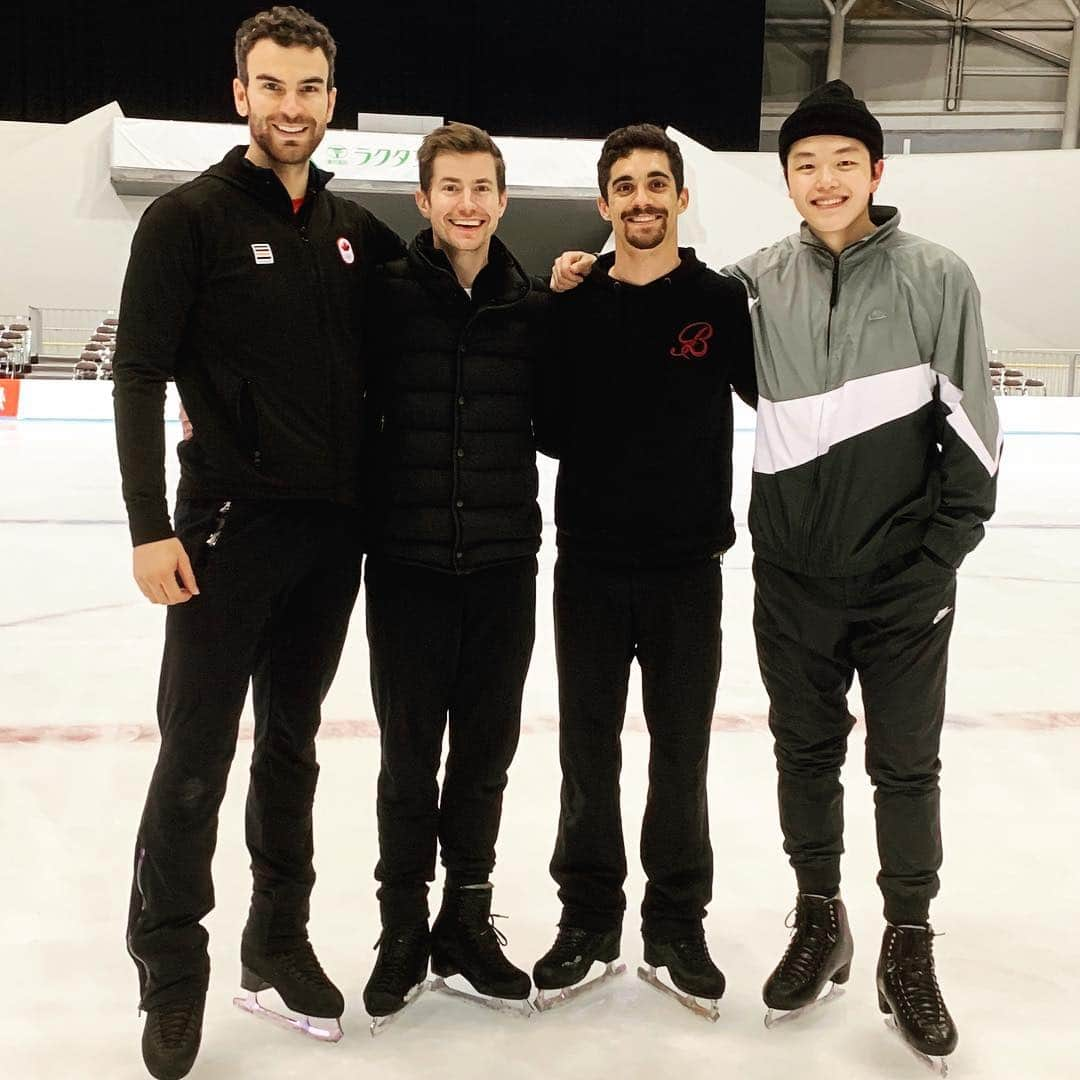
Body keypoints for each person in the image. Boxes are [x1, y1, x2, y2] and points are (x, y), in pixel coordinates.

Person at [113, 8, 402, 1077]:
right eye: (273, 86)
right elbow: (140, 371)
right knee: (195, 755)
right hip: (225, 533)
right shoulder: (187, 219)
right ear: (240, 93)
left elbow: (438, 310)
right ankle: (170, 970)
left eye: (311, 88)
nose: (293, 106)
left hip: (332, 540)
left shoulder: (353, 231)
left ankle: (276, 941)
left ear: (334, 98)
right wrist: (150, 527)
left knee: (293, 746)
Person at [730, 83, 999, 1062]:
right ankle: (819, 916)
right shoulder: (754, 281)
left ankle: (909, 945)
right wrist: (587, 275)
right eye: (806, 164)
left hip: (901, 588)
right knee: (803, 757)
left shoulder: (938, 277)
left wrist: (933, 565)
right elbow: (662, 318)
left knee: (903, 766)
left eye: (845, 161)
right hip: (791, 581)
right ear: (787, 180)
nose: (826, 178)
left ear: (876, 172)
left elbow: (974, 438)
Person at [532, 124, 756, 1017]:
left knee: (681, 753)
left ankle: (675, 924)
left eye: (656, 183)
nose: (642, 200)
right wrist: (557, 292)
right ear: (603, 204)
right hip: (588, 565)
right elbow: (546, 430)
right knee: (587, 752)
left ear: (682, 196)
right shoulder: (573, 307)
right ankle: (587, 918)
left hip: (685, 570)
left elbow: (778, 397)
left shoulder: (719, 301)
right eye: (624, 186)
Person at [359, 123, 547, 1025]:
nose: (468, 203)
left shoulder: (531, 305)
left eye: (483, 188)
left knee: (484, 758)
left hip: (505, 566)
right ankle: (402, 926)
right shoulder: (385, 296)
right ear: (423, 200)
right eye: (451, 188)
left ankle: (466, 920)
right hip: (408, 568)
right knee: (407, 761)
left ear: (502, 201)